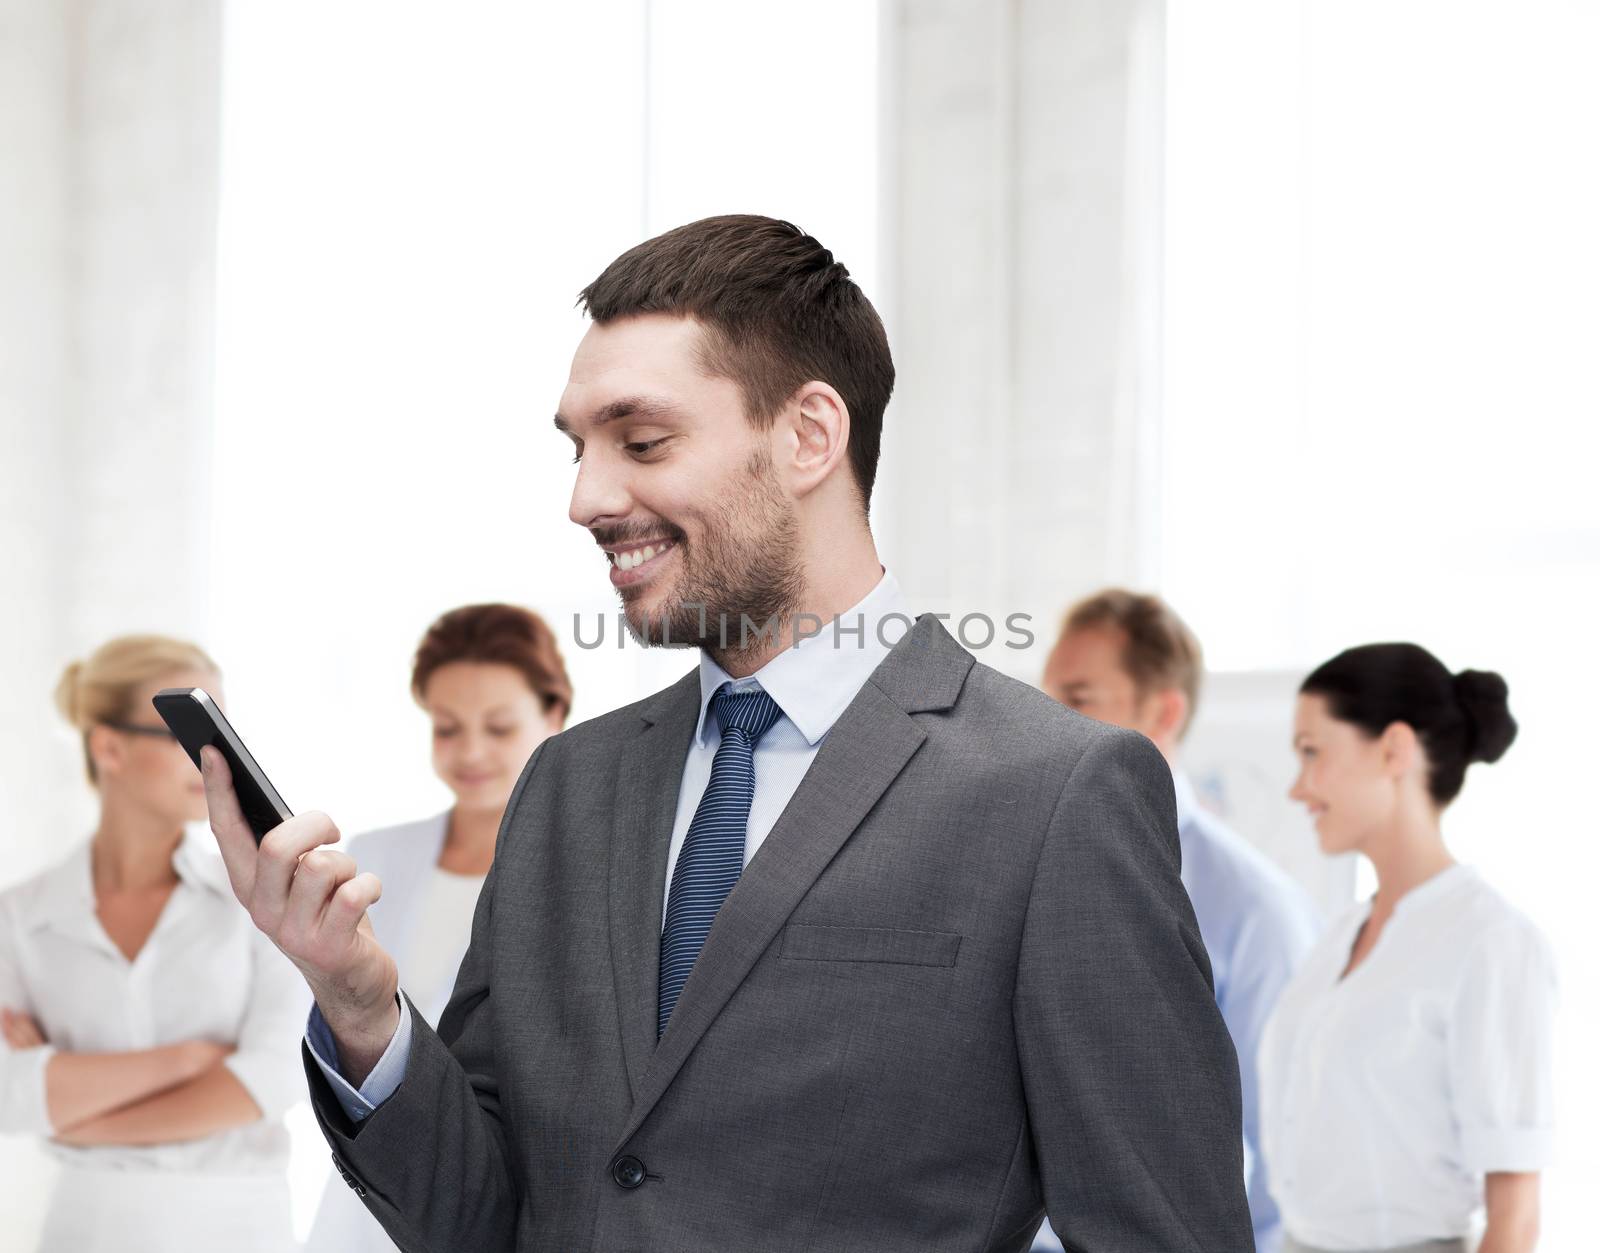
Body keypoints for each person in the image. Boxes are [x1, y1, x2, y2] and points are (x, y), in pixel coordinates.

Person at [200, 215, 1253, 1251]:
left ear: (807, 436)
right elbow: (484, 1215)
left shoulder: (1051, 790)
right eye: (577, 449)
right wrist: (359, 1002)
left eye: (641, 440)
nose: (585, 497)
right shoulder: (570, 783)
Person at [0, 635, 306, 1253]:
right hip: (83, 1229)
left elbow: (272, 1079)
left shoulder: (263, 897)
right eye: (186, 733)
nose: (214, 759)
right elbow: (8, 1097)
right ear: (108, 746)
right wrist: (189, 1060)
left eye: (222, 732)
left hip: (237, 1226)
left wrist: (74, 1113)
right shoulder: (19, 919)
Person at [1035, 589, 1320, 1253]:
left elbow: (1286, 1155)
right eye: (1042, 697)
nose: (1044, 722)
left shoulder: (1253, 910)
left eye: (1077, 698)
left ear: (1163, 711)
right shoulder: (1009, 865)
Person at [1261, 644, 1553, 1253]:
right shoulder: (1340, 935)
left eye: (1312, 752)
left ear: (1394, 749)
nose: (1297, 788)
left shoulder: (1490, 941)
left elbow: (1516, 1218)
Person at [305, 603, 569, 1253]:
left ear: (555, 716)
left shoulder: (583, 869)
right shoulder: (375, 856)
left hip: (499, 1199)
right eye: (447, 728)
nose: (471, 751)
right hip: (366, 1198)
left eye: (499, 727)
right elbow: (319, 1027)